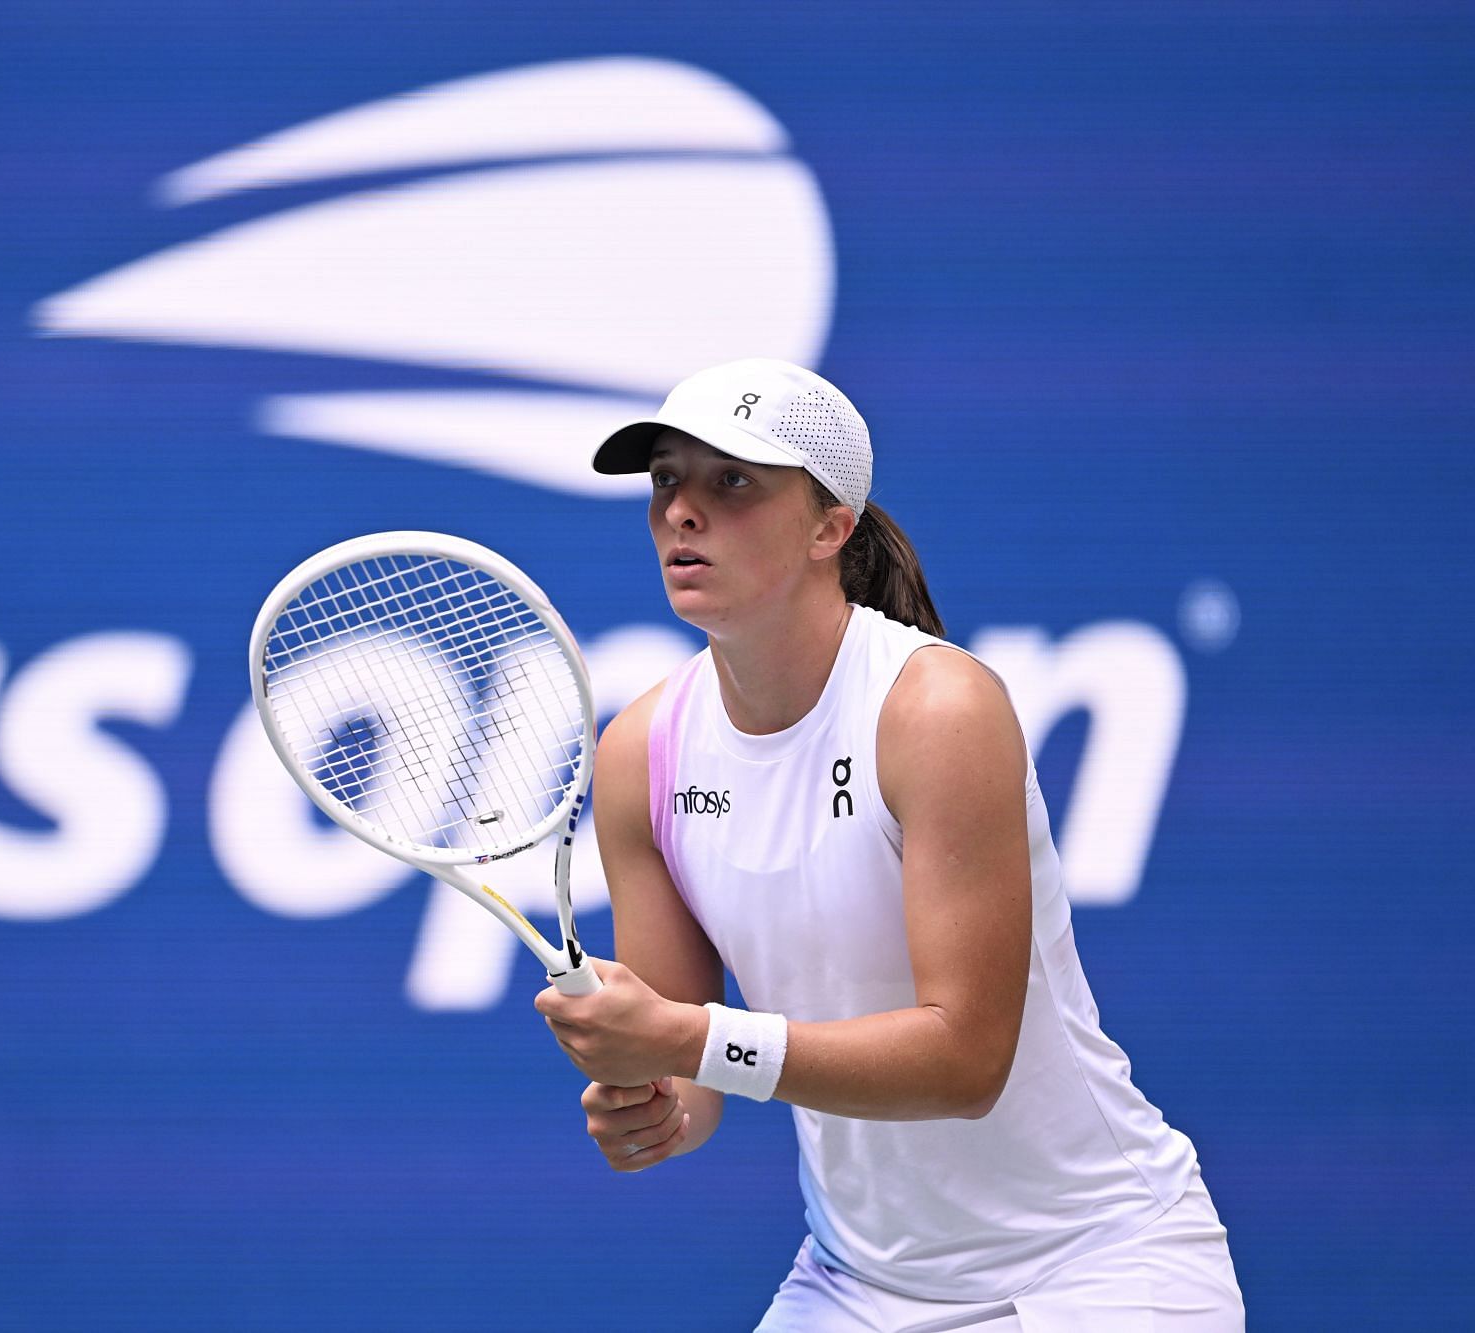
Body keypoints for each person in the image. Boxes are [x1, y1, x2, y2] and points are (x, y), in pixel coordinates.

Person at [532, 359, 1244, 1330]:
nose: (681, 513)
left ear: (833, 525)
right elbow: (690, 1081)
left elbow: (964, 1060)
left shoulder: (938, 710)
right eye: (666, 480)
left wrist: (687, 1038)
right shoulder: (641, 753)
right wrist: (653, 1104)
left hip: (1099, 1267)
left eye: (732, 480)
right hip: (857, 1283)